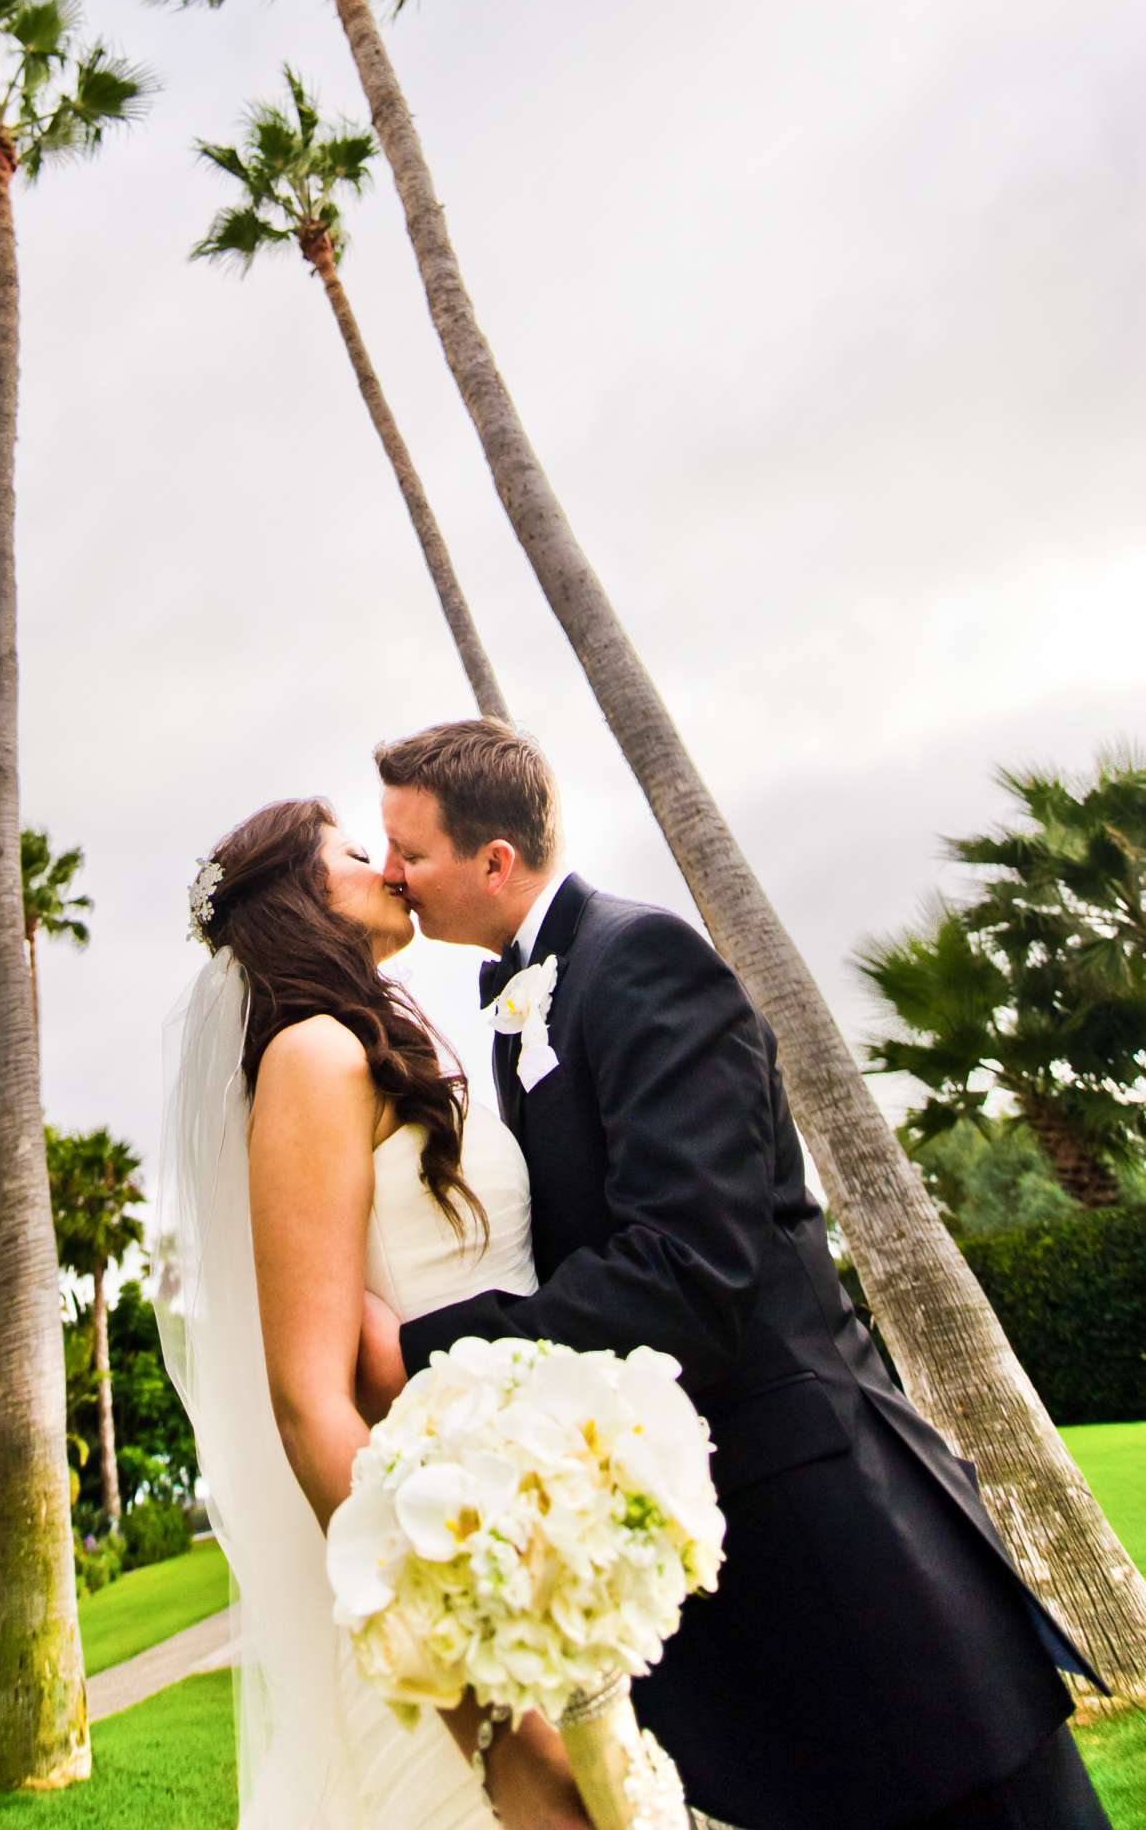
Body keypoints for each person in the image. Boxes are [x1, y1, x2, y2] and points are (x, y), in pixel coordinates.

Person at [354, 716, 1109, 1830]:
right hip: (738, 1554)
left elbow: (689, 1267)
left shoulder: (639, 959)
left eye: (408, 854)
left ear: (494, 862)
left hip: (840, 1536)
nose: (393, 877)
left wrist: (425, 1353)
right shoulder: (520, 1011)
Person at [154, 795, 594, 1828]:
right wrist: (480, 1710)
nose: (391, 867)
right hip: (451, 1578)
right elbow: (310, 1404)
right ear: (302, 901)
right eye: (357, 854)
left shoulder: (375, 1041)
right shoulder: (313, 1057)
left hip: (532, 1515)